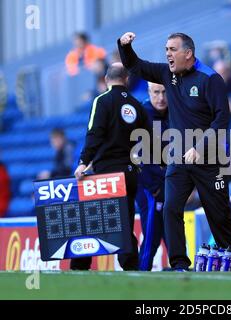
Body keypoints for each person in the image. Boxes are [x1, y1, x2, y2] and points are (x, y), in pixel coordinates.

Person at [118, 32, 231, 270]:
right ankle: (179, 264)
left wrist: (200, 146)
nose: (168, 54)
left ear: (188, 53)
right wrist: (125, 47)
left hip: (210, 159)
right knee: (171, 208)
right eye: (166, 50)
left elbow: (222, 119)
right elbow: (135, 66)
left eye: (172, 50)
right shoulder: (167, 74)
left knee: (218, 214)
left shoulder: (210, 79)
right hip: (179, 158)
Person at [71, 62, 150, 271]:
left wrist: (83, 163)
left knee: (92, 219)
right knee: (124, 221)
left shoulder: (102, 101)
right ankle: (131, 265)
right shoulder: (137, 105)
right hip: (131, 173)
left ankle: (80, 264)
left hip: (107, 173)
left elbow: (94, 134)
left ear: (106, 79)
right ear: (127, 79)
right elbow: (148, 139)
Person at [136, 82, 169, 271]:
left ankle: (179, 267)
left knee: (172, 231)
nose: (161, 97)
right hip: (149, 186)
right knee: (152, 233)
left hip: (168, 184)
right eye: (156, 92)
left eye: (164, 92)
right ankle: (142, 270)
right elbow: (137, 156)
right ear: (149, 92)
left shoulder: (174, 112)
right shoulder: (141, 115)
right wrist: (154, 187)